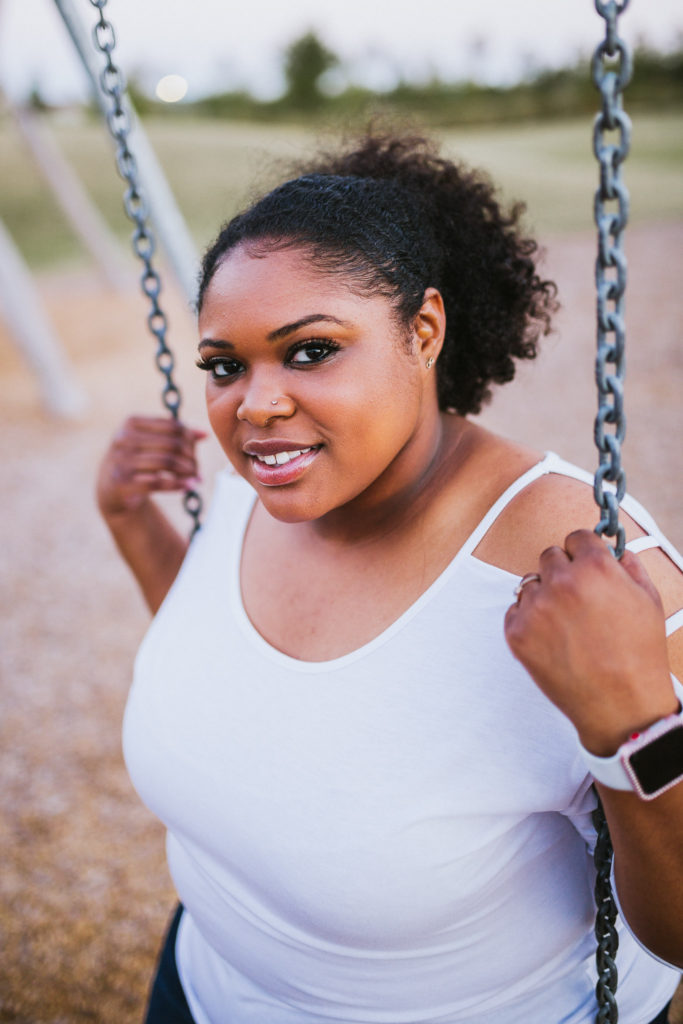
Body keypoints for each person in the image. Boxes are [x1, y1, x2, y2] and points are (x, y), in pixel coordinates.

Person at [97, 133, 683, 1024]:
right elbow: (230, 670)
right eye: (225, 365)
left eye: (308, 351)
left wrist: (633, 723)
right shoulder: (254, 491)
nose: (253, 405)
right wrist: (133, 526)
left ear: (423, 331)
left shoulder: (585, 563)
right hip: (198, 991)